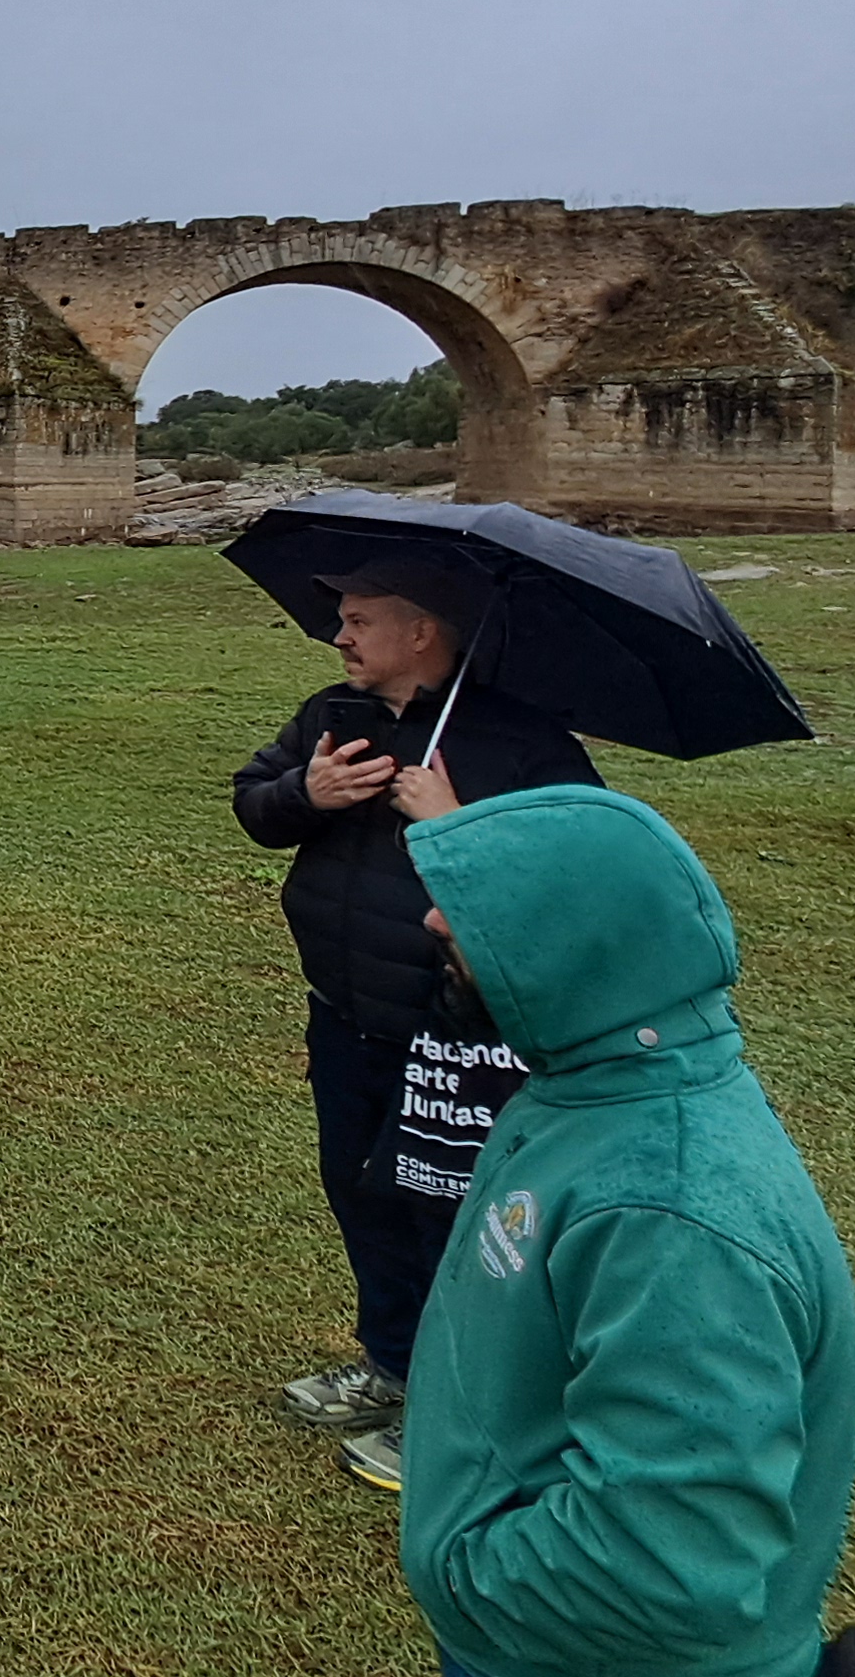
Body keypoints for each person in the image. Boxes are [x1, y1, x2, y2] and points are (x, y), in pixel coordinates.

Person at [403, 785, 855, 1677]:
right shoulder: (593, 1087)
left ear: (576, 943)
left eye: (475, 908)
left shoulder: (671, 1215)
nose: (432, 920)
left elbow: (664, 1567)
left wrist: (463, 1572)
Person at [231, 561, 599, 1492]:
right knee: (362, 1193)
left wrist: (453, 822)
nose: (339, 637)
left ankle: (454, 1409)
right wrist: (303, 797)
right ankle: (391, 1361)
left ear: (421, 632)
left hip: (454, 1036)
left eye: (357, 622)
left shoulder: (521, 742)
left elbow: (573, 872)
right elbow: (254, 801)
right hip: (345, 1014)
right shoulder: (332, 716)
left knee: (449, 1219)